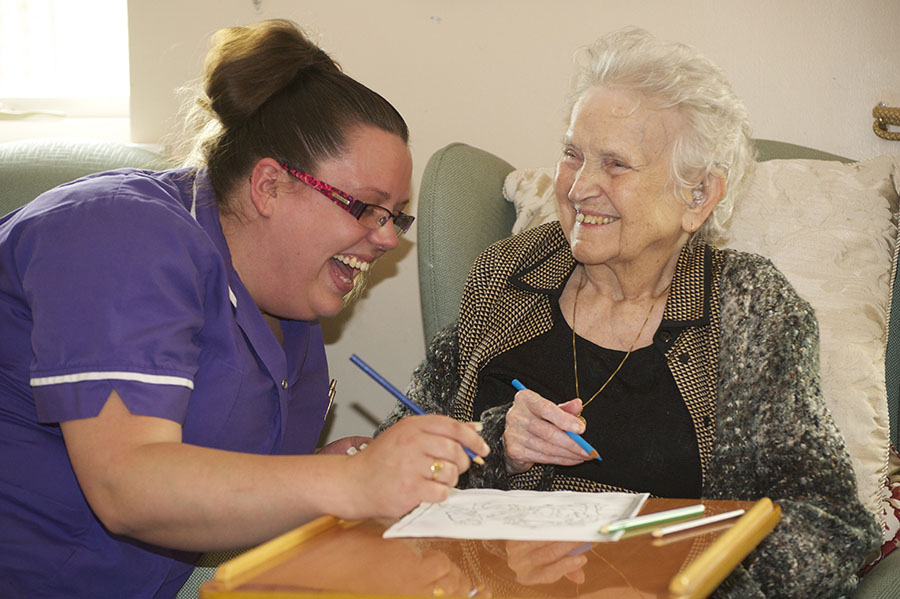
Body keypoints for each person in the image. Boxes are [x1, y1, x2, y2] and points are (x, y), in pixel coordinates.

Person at [379, 28, 880, 598]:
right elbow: (396, 455)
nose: (580, 186)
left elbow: (829, 523)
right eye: (573, 154)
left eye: (615, 164)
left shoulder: (750, 307)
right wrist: (497, 445)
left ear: (698, 196)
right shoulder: (507, 275)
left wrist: (677, 583)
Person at [0, 19, 488, 598]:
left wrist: (329, 467)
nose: (386, 238)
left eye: (397, 217)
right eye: (366, 208)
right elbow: (128, 487)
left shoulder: (293, 314)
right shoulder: (117, 234)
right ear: (270, 186)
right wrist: (346, 481)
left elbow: (220, 479)